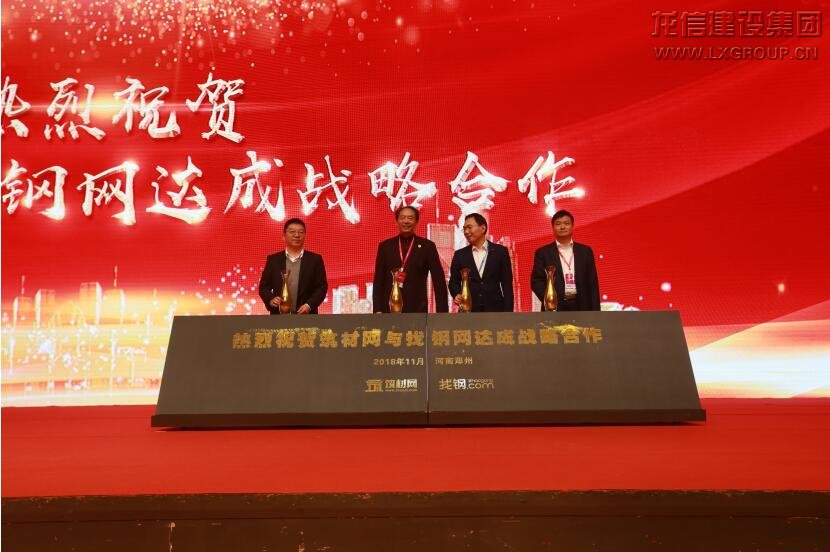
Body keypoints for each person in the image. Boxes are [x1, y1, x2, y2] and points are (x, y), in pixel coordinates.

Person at [372, 206, 449, 313]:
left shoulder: (427, 246)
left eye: (410, 218)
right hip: (388, 309)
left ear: (416, 222)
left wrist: (442, 312)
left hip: (417, 309)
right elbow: (378, 281)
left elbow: (439, 281)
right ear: (397, 221)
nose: (406, 221)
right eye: (402, 217)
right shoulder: (385, 246)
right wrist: (377, 309)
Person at [531, 209, 600, 311]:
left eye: (566, 223)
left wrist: (596, 312)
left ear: (572, 226)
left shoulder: (585, 251)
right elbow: (536, 281)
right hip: (555, 308)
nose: (562, 227)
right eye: (558, 224)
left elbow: (592, 283)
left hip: (582, 305)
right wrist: (549, 299)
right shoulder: (543, 253)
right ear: (553, 227)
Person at [258, 218, 328, 314]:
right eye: (292, 232)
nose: (297, 235)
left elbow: (321, 287)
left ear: (305, 236)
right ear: (284, 236)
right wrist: (270, 299)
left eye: (301, 232)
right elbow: (263, 287)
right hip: (278, 316)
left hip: (307, 316)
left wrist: (309, 305)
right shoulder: (273, 260)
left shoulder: (315, 260)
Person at [448, 213, 513, 312]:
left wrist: (509, 313)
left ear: (483, 228)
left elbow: (507, 284)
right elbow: (453, 282)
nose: (466, 232)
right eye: (464, 229)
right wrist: (456, 294)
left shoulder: (500, 252)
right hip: (468, 310)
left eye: (469, 227)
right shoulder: (460, 255)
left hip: (495, 311)